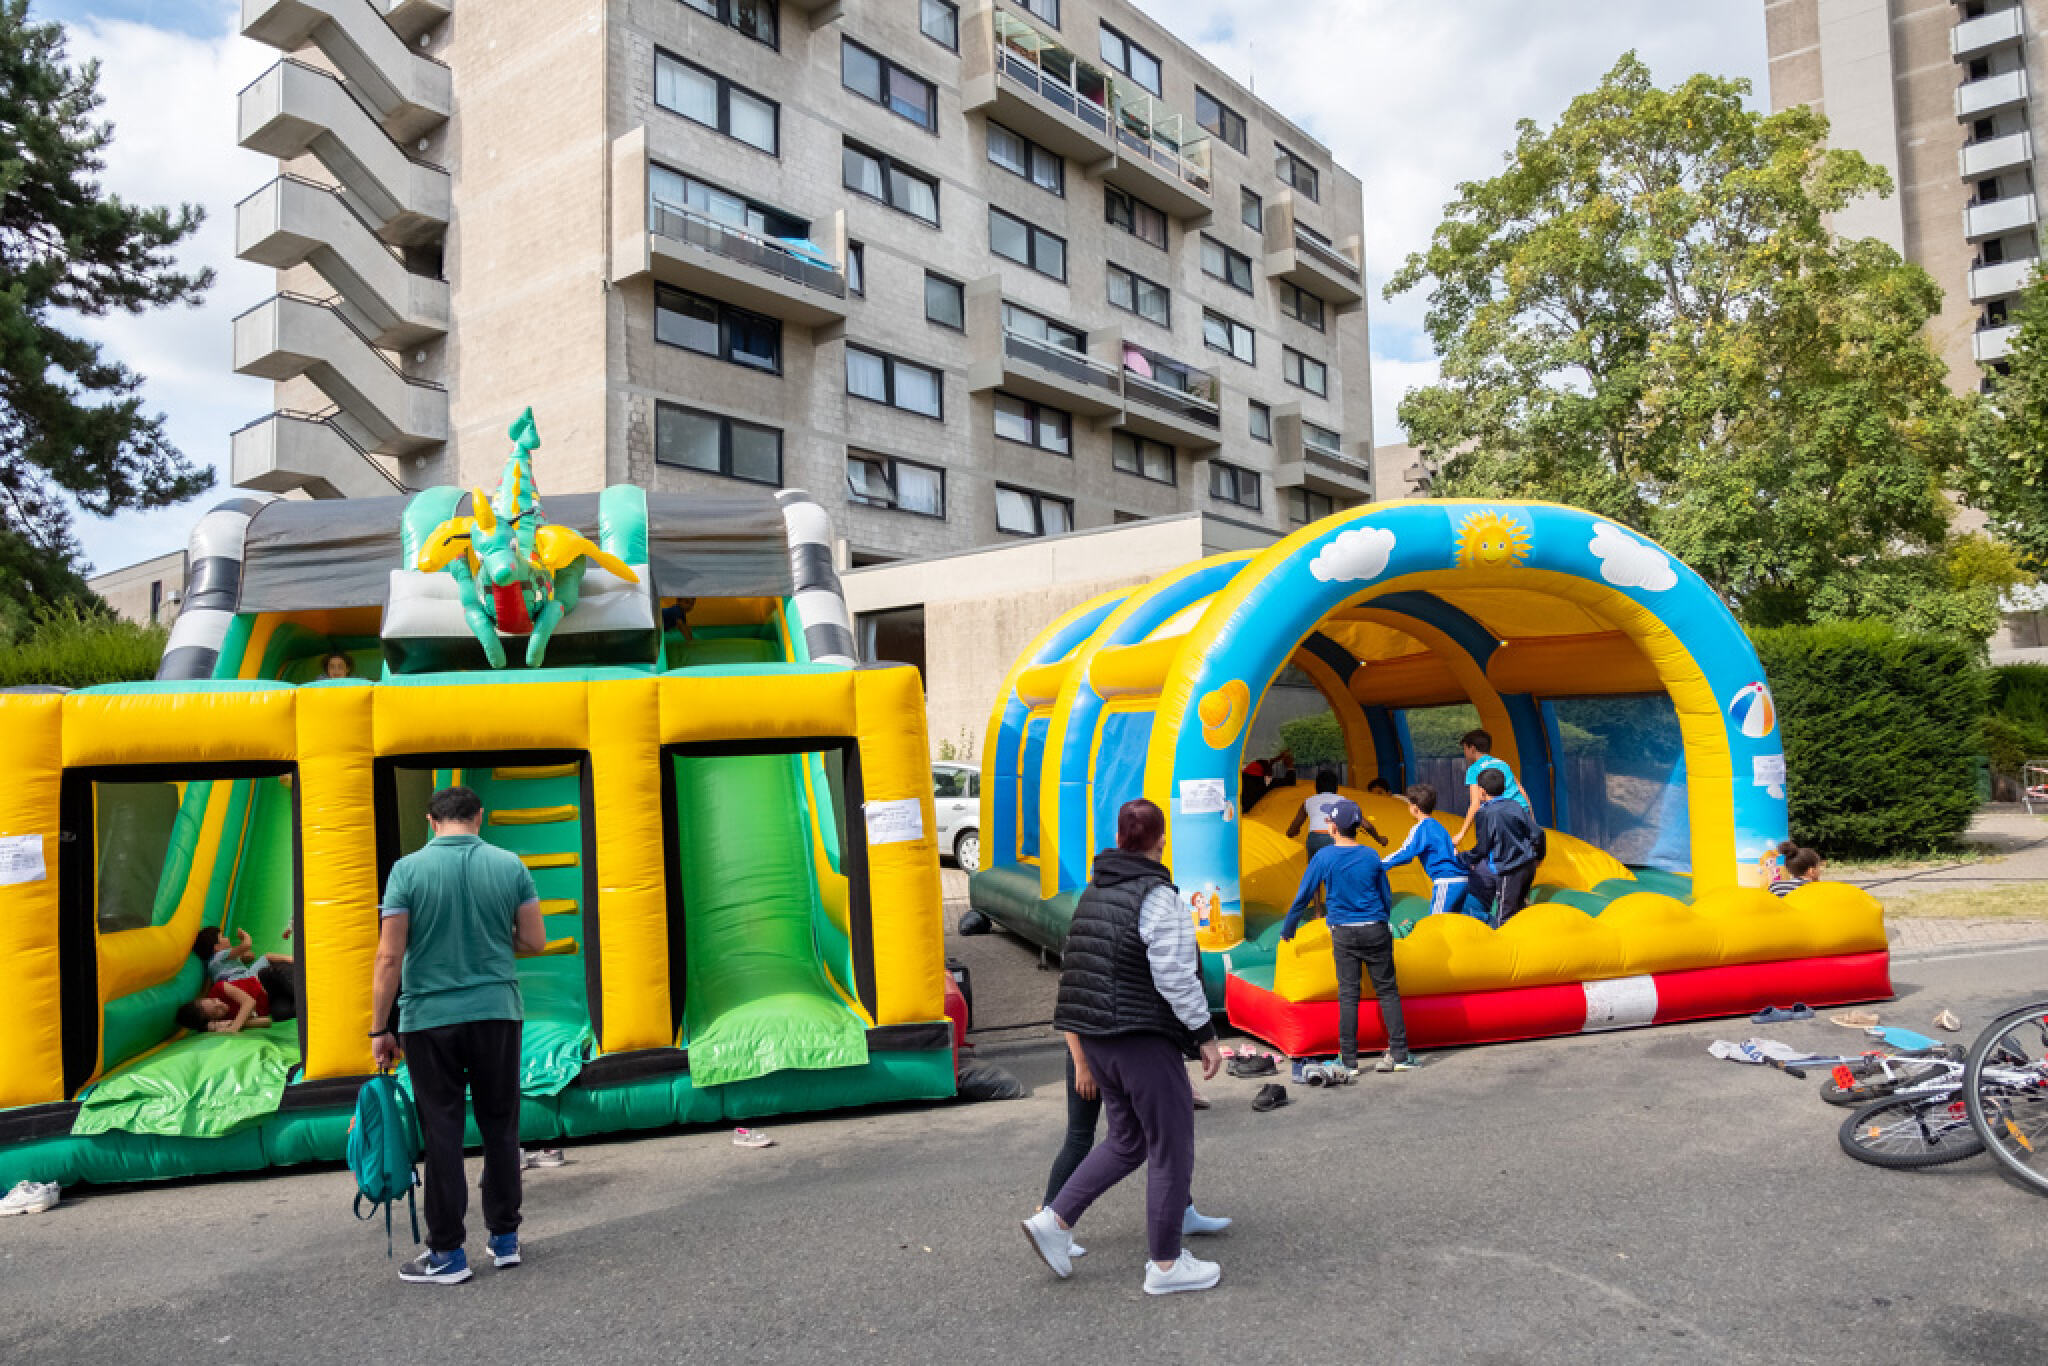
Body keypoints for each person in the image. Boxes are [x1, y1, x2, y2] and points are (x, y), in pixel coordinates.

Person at [1022, 799, 1226, 1296]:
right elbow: (1175, 974)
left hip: (1096, 1037)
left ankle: (1055, 1219)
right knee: (1170, 1145)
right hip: (1140, 1036)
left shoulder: (1093, 891)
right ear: (1161, 841)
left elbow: (1077, 966)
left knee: (1127, 1140)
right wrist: (1205, 1035)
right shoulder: (1159, 896)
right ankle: (1166, 1264)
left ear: (1118, 838)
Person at [372, 785, 546, 1285]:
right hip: (496, 1012)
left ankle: (448, 1252)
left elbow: (389, 956)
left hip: (429, 1018)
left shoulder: (406, 871)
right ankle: (505, 1239)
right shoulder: (511, 865)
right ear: (479, 817)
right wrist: (492, 939)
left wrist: (379, 1026)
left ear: (431, 822)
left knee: (442, 1132)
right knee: (501, 1125)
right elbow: (535, 940)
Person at [1039, 1032, 1231, 1262]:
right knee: (1087, 1138)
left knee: (1153, 1136)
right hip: (1092, 1049)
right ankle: (1050, 1215)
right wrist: (1081, 1063)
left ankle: (1183, 1212)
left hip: (1112, 1043)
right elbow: (1068, 1017)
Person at [1280, 798, 1413, 1074]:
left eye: (1329, 820)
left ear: (1334, 827)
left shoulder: (1324, 857)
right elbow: (1385, 894)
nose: (1327, 823)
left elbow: (1304, 894)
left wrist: (1289, 927)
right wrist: (1382, 919)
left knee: (1349, 994)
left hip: (1344, 932)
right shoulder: (1371, 855)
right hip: (1375, 928)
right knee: (1388, 991)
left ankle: (1349, 1061)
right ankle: (1400, 1055)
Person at [1381, 785, 1473, 918]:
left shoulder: (1421, 828)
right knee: (1453, 920)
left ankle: (1487, 921)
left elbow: (1406, 853)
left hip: (1447, 880)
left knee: (1435, 922)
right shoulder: (1438, 825)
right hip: (1462, 879)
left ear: (1415, 808)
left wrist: (1381, 864)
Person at [1464, 768, 1542, 925]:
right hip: (1527, 866)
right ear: (1504, 788)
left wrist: (1464, 858)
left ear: (1482, 791)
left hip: (1509, 869)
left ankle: (1497, 932)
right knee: (1518, 907)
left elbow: (1483, 848)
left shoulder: (1485, 813)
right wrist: (1539, 856)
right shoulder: (1514, 805)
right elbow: (1538, 833)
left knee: (1503, 916)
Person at [1452, 729, 1530, 846]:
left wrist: (1461, 834)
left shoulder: (1474, 769)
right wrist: (1531, 818)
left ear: (1472, 748)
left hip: (1502, 815)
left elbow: (1475, 803)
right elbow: (1521, 790)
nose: (1464, 753)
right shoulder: (1502, 763)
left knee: (1499, 849)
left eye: (1465, 749)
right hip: (1521, 810)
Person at [1287, 769, 1383, 856]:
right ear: (1336, 787)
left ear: (1316, 787)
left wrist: (1292, 833)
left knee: (1316, 867)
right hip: (1336, 838)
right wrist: (1379, 839)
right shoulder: (1344, 801)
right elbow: (1367, 826)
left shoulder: (1308, 801)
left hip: (1315, 839)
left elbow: (1292, 829)